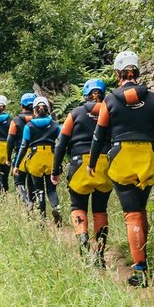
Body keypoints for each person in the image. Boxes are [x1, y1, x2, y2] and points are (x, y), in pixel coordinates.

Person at [87, 51, 154, 286]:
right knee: (141, 209)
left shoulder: (109, 101)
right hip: (147, 158)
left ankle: (140, 270)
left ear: (118, 74)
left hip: (121, 159)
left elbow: (98, 137)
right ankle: (143, 257)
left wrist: (91, 163)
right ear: (137, 72)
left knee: (132, 214)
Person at [54, 77, 112, 266]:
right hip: (104, 164)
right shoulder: (110, 111)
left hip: (79, 164)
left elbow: (61, 143)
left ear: (86, 95)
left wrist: (56, 170)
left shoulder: (76, 113)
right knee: (100, 209)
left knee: (77, 205)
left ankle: (83, 240)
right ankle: (100, 253)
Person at [12, 95, 61, 223]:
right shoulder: (55, 125)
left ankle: (42, 218)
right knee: (51, 189)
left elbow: (23, 146)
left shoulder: (29, 126)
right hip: (51, 157)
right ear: (48, 109)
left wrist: (17, 164)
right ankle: (56, 207)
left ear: (34, 110)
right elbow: (61, 143)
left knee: (38, 189)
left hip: (35, 159)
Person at [7, 92, 37, 208]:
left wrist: (9, 158)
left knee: (19, 182)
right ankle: (34, 204)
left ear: (22, 106)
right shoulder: (38, 119)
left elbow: (10, 140)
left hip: (20, 154)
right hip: (34, 155)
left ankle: (26, 201)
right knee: (32, 183)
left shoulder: (16, 121)